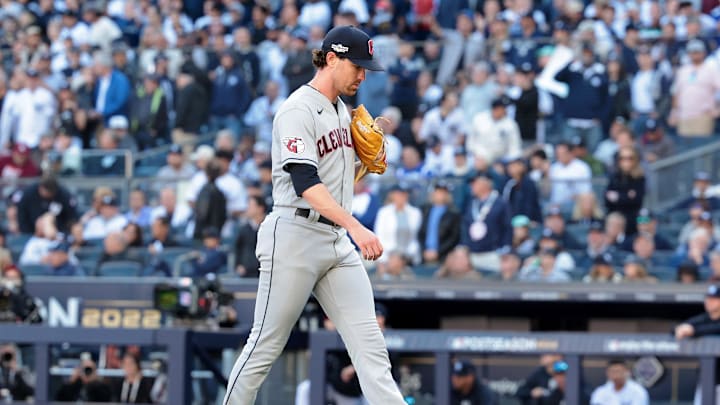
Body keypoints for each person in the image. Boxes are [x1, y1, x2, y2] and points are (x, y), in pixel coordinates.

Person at [224, 25, 406, 405]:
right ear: (332, 58)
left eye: (365, 69)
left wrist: (362, 164)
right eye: (356, 66)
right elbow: (305, 181)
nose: (361, 75)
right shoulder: (296, 109)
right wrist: (357, 227)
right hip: (295, 234)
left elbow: (333, 177)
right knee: (264, 346)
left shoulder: (342, 110)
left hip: (335, 242)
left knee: (371, 349)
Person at [461, 173, 512, 271]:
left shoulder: (500, 203)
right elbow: (466, 225)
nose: (472, 186)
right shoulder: (472, 203)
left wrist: (505, 248)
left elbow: (507, 227)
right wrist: (465, 246)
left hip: (493, 253)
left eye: (474, 183)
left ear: (485, 184)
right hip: (472, 253)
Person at [604, 146, 645, 235]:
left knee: (646, 219)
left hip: (635, 215)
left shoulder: (640, 177)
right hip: (614, 214)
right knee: (611, 220)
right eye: (622, 158)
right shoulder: (614, 176)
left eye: (630, 158)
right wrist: (627, 196)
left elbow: (637, 201)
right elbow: (606, 200)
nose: (626, 162)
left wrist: (618, 197)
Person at [418, 181, 461, 265]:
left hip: (444, 256)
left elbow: (454, 237)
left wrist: (438, 252)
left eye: (443, 192)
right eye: (438, 192)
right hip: (423, 254)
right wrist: (424, 250)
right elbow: (419, 233)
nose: (440, 195)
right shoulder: (424, 210)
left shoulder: (453, 213)